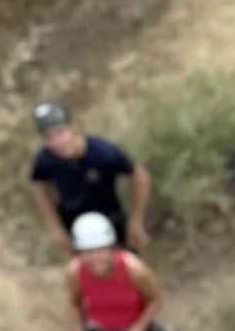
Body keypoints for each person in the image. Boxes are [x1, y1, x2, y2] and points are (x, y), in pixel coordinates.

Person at [28, 101, 150, 261]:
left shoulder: (103, 153)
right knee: (88, 274)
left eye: (61, 132)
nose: (57, 142)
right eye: (49, 137)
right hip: (75, 226)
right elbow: (39, 185)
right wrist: (55, 227)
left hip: (111, 220)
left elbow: (140, 176)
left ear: (72, 127)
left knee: (126, 269)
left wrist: (136, 219)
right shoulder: (46, 159)